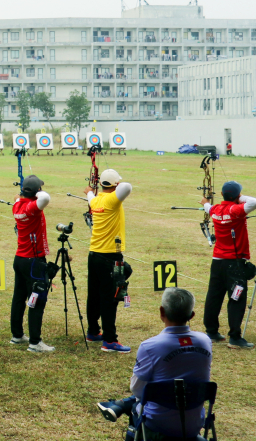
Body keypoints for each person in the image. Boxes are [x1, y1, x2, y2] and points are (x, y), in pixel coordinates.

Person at [96, 288, 212, 439]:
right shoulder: (205, 341)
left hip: (158, 425)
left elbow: (137, 389)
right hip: (193, 425)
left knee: (140, 402)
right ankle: (121, 405)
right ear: (192, 315)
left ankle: (122, 406)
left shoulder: (150, 346)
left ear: (161, 312)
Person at [201, 180, 255, 349]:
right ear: (238, 196)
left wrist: (206, 203)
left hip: (217, 261)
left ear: (223, 195)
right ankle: (235, 337)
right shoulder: (236, 209)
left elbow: (208, 207)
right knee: (236, 298)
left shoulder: (215, 209)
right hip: (235, 264)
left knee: (214, 295)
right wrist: (239, 198)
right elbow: (253, 202)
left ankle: (211, 331)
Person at [86, 168, 133, 353]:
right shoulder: (113, 199)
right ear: (115, 185)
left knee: (94, 295)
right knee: (111, 298)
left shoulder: (96, 201)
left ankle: (93, 332)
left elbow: (90, 197)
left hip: (94, 255)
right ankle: (110, 341)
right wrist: (117, 185)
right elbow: (127, 187)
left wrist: (90, 191)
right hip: (111, 257)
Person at [10, 175, 54, 352]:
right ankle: (35, 342)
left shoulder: (17, 205)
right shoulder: (32, 208)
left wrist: (22, 195)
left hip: (19, 259)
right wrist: (38, 194)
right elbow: (45, 198)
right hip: (33, 261)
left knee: (19, 298)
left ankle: (17, 335)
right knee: (38, 299)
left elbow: (19, 199)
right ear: (36, 192)